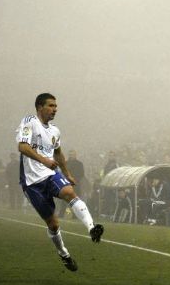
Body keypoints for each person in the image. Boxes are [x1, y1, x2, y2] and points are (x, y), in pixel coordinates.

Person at [16, 93, 104, 272]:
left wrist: (67, 173)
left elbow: (58, 153)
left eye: (56, 106)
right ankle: (64, 254)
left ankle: (92, 228)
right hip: (32, 182)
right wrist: (43, 160)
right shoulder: (29, 121)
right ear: (40, 107)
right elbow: (22, 147)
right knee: (53, 224)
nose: (55, 109)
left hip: (50, 174)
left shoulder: (55, 131)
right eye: (51, 106)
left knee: (70, 192)